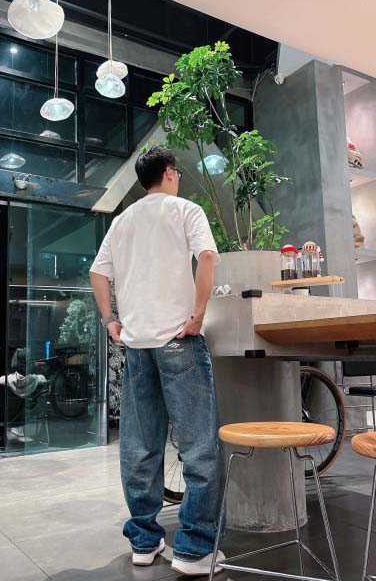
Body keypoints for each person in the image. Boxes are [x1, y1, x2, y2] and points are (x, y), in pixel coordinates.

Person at [89, 146, 226, 576]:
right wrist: (198, 313)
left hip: (137, 344)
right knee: (199, 446)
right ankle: (194, 549)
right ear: (169, 173)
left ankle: (144, 542)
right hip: (177, 339)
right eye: (177, 172)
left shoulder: (122, 221)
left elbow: (97, 272)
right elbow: (207, 257)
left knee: (140, 444)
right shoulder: (186, 210)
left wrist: (110, 320)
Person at [0, 348, 47, 445]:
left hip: (5, 418)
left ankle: (1, 437)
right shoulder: (40, 380)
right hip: (28, 417)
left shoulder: (4, 381)